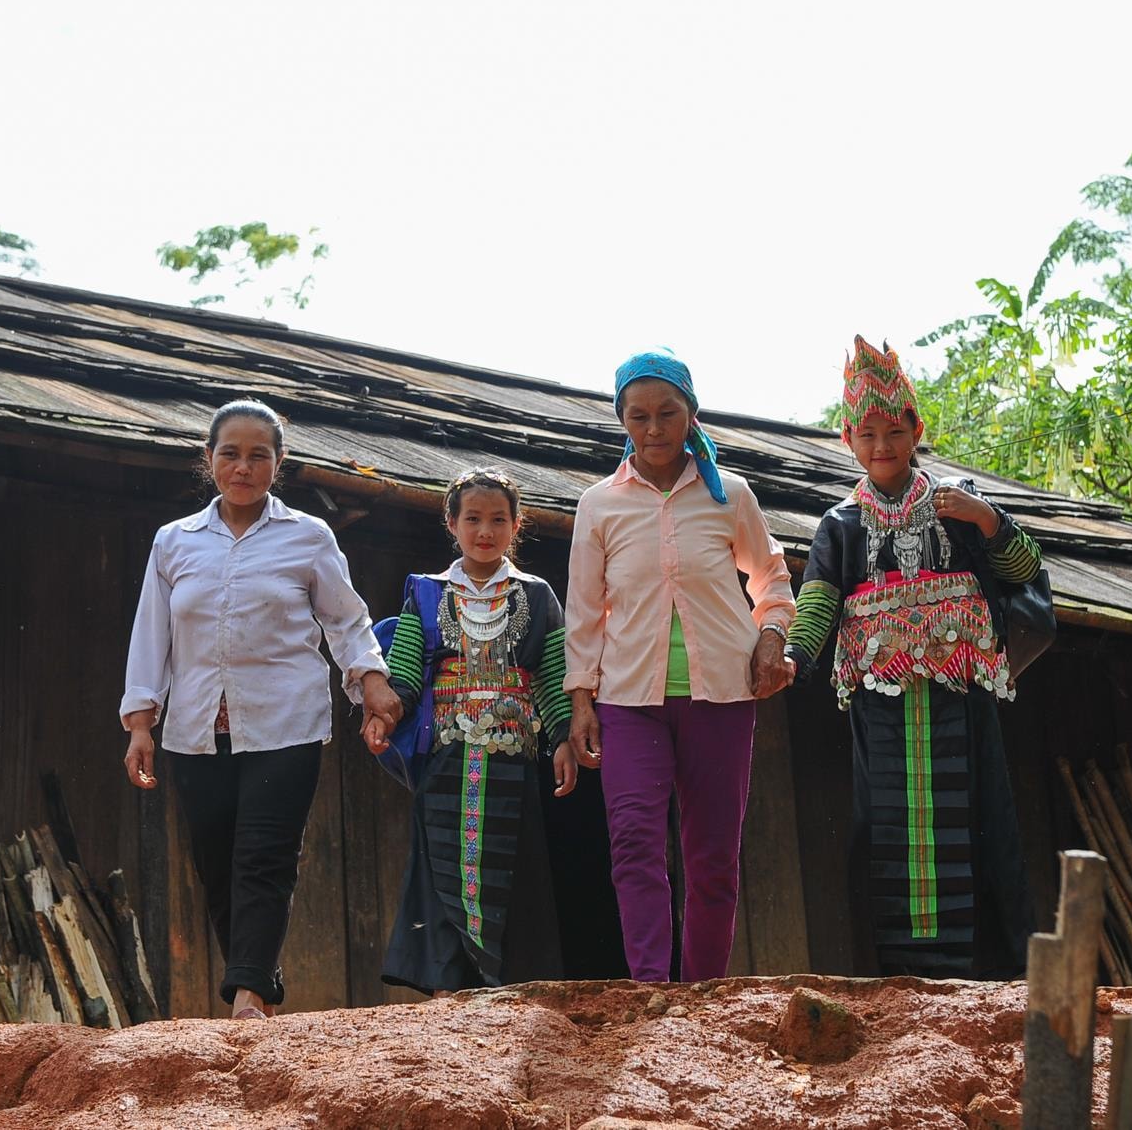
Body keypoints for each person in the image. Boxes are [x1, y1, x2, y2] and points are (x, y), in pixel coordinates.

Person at [119, 399, 403, 1019]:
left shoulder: (307, 536)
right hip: (196, 728)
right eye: (229, 454)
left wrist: (372, 683)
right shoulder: (175, 542)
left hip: (285, 721)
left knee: (264, 856)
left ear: (278, 464)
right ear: (209, 460)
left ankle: (245, 995)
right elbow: (151, 636)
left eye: (258, 455)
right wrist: (142, 720)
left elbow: (345, 619)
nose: (242, 467)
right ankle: (259, 981)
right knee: (216, 863)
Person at [784, 338, 1040, 979]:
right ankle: (901, 972)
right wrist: (793, 656)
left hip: (959, 698)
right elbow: (817, 602)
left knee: (973, 820)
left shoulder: (959, 507)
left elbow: (1027, 572)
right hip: (881, 708)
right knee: (890, 829)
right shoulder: (840, 525)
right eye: (867, 434)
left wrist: (988, 519)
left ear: (917, 430)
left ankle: (982, 975)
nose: (882, 446)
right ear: (847, 439)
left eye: (895, 431)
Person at [564, 350, 795, 984]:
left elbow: (771, 577)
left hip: (722, 695)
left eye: (668, 413)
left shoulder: (731, 495)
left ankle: (704, 993)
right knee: (635, 844)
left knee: (713, 854)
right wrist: (581, 700)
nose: (655, 428)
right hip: (627, 699)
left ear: (691, 415)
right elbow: (584, 609)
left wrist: (773, 636)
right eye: (638, 417)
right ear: (622, 422)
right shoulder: (599, 505)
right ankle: (650, 988)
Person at [379, 469, 578, 995]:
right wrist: (385, 712)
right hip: (445, 754)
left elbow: (553, 675)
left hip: (514, 757)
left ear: (517, 526)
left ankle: (508, 985)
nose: (484, 530)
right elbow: (403, 670)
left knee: (512, 866)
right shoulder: (425, 593)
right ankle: (448, 986)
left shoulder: (536, 596)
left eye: (498, 519)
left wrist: (561, 738)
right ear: (452, 523)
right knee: (441, 864)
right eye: (473, 519)